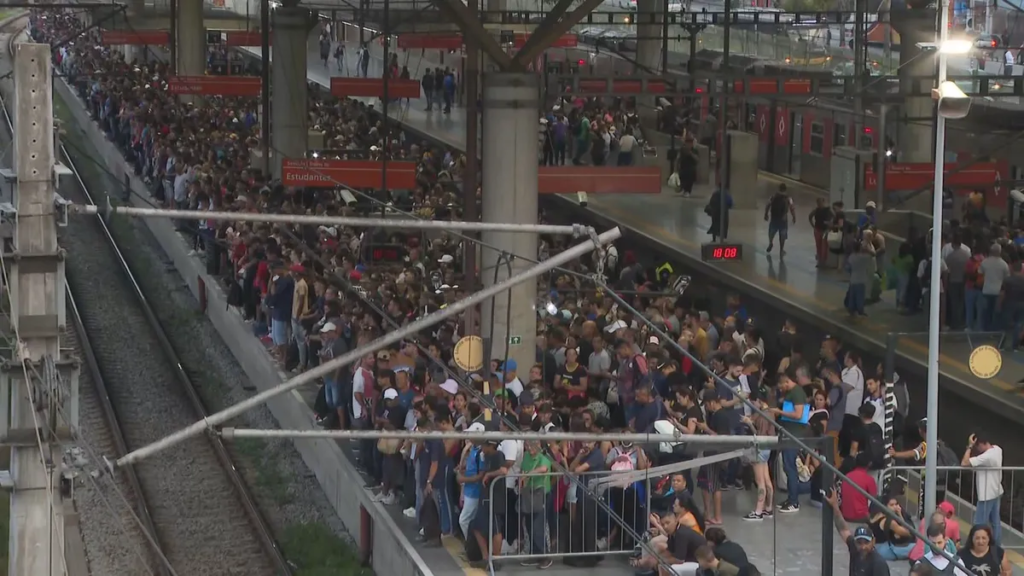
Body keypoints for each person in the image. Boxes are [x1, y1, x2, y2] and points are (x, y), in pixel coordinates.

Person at [824, 488, 890, 576]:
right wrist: (835, 506)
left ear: (873, 541)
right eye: (859, 543)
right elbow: (843, 529)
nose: (863, 547)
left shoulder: (878, 564)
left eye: (866, 542)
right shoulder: (855, 548)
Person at [768, 373, 808, 513]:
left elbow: (798, 414)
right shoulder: (792, 393)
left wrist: (779, 411)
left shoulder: (797, 392)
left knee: (790, 467)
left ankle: (794, 501)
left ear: (786, 382)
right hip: (788, 433)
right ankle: (791, 498)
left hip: (794, 435)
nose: (781, 389)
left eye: (781, 386)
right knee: (787, 465)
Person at [961, 432, 1004, 545]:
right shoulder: (998, 449)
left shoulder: (987, 456)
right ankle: (997, 547)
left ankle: (974, 547)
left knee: (979, 523)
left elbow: (964, 463)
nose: (977, 449)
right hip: (996, 491)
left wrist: (969, 446)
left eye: (976, 446)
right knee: (995, 522)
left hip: (986, 495)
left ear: (981, 444)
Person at [870, 496, 915, 561]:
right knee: (919, 548)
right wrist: (900, 515)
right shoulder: (889, 521)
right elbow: (908, 532)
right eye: (891, 505)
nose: (895, 507)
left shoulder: (874, 517)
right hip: (885, 550)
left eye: (896, 504)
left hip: (876, 547)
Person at [839, 453, 877, 522]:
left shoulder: (847, 475)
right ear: (869, 464)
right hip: (861, 517)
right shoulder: (869, 479)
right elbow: (874, 499)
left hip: (845, 515)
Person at [764, 183, 796, 256]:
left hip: (774, 218)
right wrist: (794, 217)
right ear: (785, 189)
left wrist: (766, 214)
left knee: (771, 232)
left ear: (779, 188)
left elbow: (768, 205)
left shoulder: (773, 196)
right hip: (783, 219)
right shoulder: (788, 198)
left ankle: (770, 243)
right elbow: (792, 207)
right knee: (782, 235)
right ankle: (781, 250)